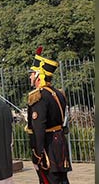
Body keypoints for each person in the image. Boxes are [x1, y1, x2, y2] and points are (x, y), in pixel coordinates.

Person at [27, 47, 71, 184]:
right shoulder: (58, 93)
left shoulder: (39, 96)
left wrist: (37, 155)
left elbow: (38, 129)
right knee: (61, 180)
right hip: (60, 143)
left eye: (32, 73)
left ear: (40, 75)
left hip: (48, 148)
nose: (30, 76)